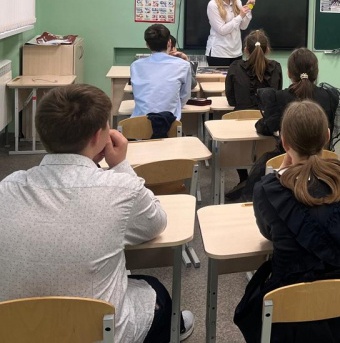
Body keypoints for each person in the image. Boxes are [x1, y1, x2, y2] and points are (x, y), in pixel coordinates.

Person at [0, 84, 193, 343]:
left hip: (17, 329)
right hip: (98, 333)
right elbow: (156, 223)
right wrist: (120, 165)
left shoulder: (7, 187)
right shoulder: (121, 188)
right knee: (157, 291)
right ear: (97, 137)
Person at [234, 100, 340, 343]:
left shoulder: (269, 191)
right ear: (327, 137)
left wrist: (280, 174)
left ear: (284, 142)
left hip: (286, 321)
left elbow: (267, 233)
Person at [226, 30, 283, 184]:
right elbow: (277, 96)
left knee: (237, 145)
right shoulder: (276, 68)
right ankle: (262, 176)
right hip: (267, 128)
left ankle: (243, 179)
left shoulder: (235, 67)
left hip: (239, 129)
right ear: (267, 49)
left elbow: (231, 100)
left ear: (245, 50)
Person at [255, 47, 337, 141]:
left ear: (289, 73)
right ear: (316, 73)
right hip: (320, 150)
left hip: (289, 150)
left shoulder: (279, 98)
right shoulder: (329, 97)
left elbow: (266, 128)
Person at [131, 24, 192, 120]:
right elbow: (185, 96)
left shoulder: (135, 66)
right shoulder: (183, 65)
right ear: (169, 43)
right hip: (170, 123)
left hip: (139, 122)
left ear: (147, 45)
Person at [206, 0, 255, 67]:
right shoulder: (213, 5)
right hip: (219, 53)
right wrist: (240, 16)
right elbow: (222, 30)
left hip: (236, 52)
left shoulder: (237, 1)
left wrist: (248, 9)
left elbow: (243, 26)